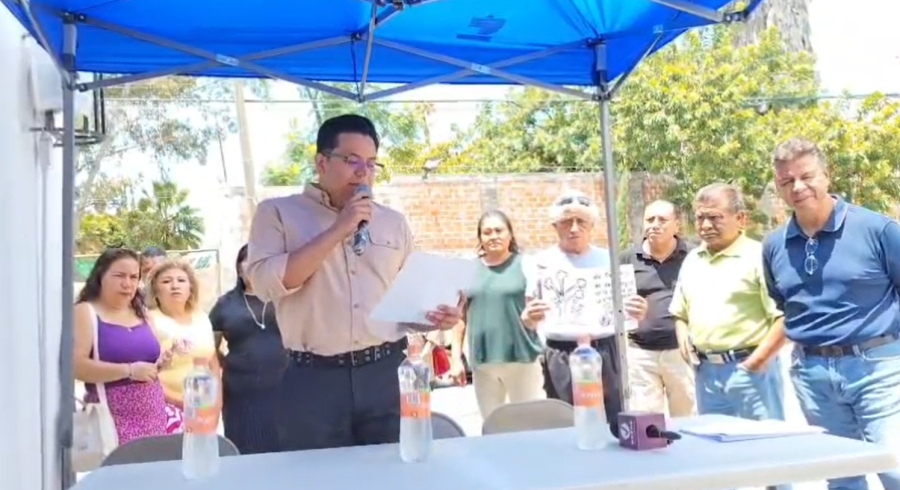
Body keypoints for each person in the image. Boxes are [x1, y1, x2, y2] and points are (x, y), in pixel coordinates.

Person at [246, 113, 463, 451]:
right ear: (321, 162)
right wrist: (338, 229)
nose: (364, 172)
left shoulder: (392, 222)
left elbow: (405, 304)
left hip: (386, 373)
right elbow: (265, 285)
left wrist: (437, 315)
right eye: (351, 161)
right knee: (318, 478)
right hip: (313, 380)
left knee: (394, 472)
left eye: (372, 163)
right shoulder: (277, 214)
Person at [762, 138, 900, 490]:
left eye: (807, 176)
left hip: (878, 369)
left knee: (894, 470)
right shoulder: (775, 245)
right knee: (841, 478)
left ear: (827, 175)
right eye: (786, 181)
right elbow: (785, 305)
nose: (798, 187)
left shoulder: (877, 230)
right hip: (812, 375)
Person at [521, 190, 648, 429]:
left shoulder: (609, 259)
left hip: (606, 349)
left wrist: (637, 310)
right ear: (555, 226)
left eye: (582, 222)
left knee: (613, 417)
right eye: (567, 221)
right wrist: (528, 317)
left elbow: (627, 307)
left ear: (592, 226)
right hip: (561, 352)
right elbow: (529, 317)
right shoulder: (540, 263)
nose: (574, 228)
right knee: (565, 419)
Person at [450, 210, 544, 419]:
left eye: (499, 230)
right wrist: (455, 359)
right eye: (487, 232)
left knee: (528, 425)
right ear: (480, 238)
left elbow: (538, 311)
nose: (493, 236)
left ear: (510, 234)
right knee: (492, 426)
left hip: (521, 359)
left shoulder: (526, 266)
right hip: (484, 363)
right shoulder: (469, 271)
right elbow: (459, 319)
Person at [73, 248, 168, 445]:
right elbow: (76, 366)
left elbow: (146, 361)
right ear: (100, 276)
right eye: (119, 276)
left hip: (154, 416)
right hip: (110, 421)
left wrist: (160, 363)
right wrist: (129, 371)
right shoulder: (85, 312)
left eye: (134, 277)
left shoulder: (142, 312)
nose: (128, 284)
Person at [619, 200, 696, 417]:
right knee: (646, 422)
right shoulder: (626, 259)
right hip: (640, 354)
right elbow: (612, 302)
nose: (655, 225)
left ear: (677, 226)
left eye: (662, 220)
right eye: (649, 219)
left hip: (680, 353)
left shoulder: (693, 256)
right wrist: (627, 308)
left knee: (687, 419)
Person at [209, 244, 286, 454]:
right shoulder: (225, 305)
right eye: (247, 260)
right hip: (241, 391)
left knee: (285, 447)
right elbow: (209, 348)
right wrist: (228, 362)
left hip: (284, 387)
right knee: (245, 448)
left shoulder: (284, 298)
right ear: (239, 268)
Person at [146, 259, 221, 434]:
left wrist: (216, 402)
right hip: (166, 410)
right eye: (166, 281)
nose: (175, 286)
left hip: (204, 408)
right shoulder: (149, 320)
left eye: (181, 280)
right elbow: (146, 373)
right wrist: (181, 402)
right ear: (155, 291)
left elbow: (213, 362)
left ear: (190, 288)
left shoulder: (201, 317)